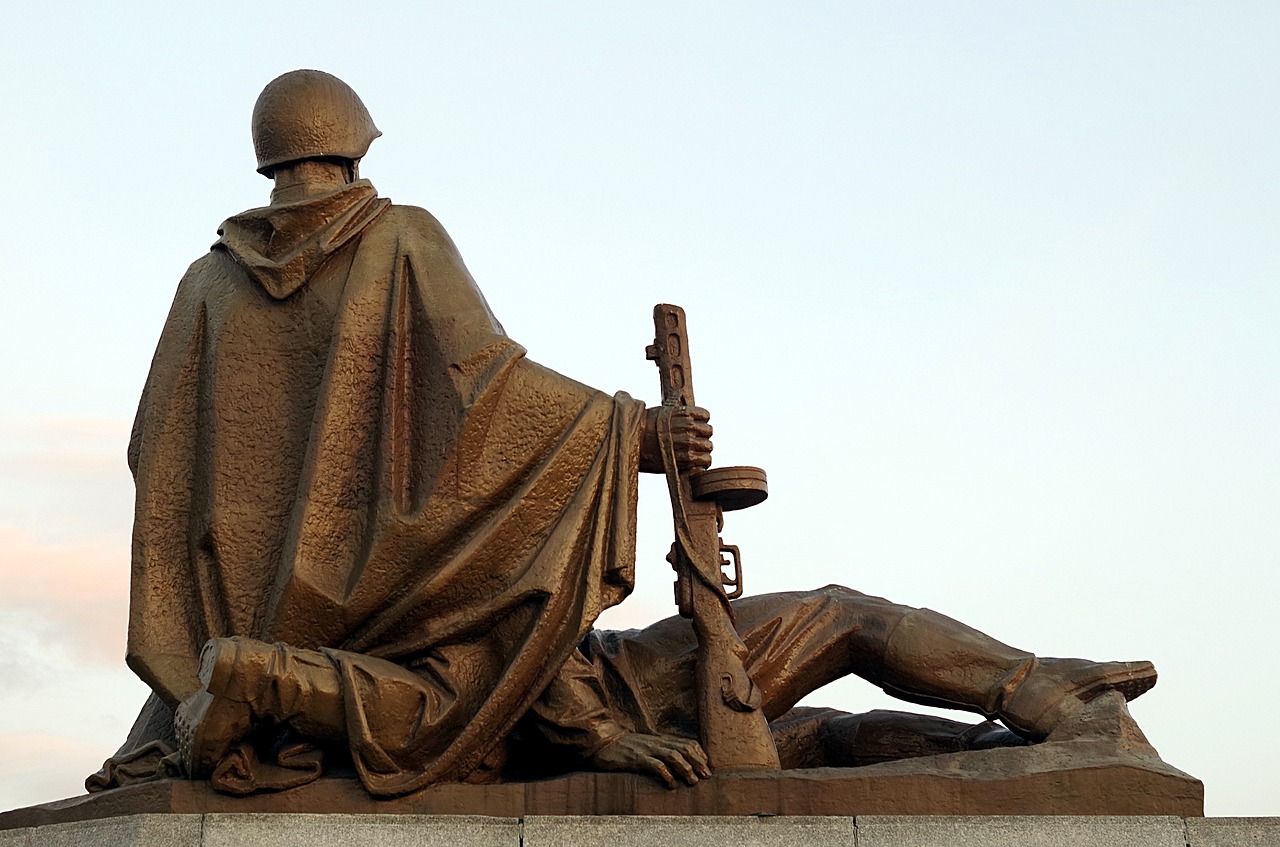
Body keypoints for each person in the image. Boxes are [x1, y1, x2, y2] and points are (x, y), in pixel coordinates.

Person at [91, 70, 1156, 797]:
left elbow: (168, 461)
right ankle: (1053, 698)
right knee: (836, 618)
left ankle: (1037, 716)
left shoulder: (206, 289)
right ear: (353, 143)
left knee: (816, 738)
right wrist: (633, 434)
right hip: (510, 665)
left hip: (411, 657)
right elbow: (485, 395)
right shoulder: (395, 239)